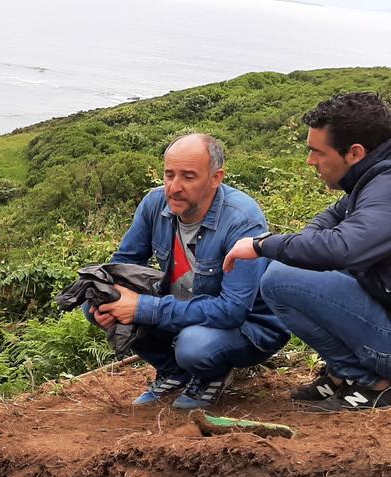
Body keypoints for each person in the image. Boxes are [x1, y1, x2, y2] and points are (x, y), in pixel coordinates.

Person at [91, 134, 289, 409]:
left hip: (248, 328)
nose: (174, 187)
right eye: (169, 175)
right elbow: (123, 263)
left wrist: (142, 308)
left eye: (188, 177)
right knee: (99, 302)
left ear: (215, 178)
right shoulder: (154, 204)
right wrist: (108, 295)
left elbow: (232, 310)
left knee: (194, 346)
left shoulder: (241, 219)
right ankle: (174, 371)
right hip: (185, 312)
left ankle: (210, 374)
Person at [224, 93, 391, 411]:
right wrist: (307, 249)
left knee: (280, 279)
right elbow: (333, 216)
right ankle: (344, 376)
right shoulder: (375, 176)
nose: (310, 161)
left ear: (354, 152)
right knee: (301, 265)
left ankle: (372, 384)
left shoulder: (386, 187)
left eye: (317, 151)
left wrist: (263, 245)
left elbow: (344, 247)